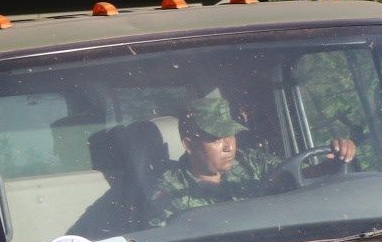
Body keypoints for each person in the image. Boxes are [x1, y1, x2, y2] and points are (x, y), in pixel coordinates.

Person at [149, 89, 357, 222]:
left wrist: (334, 162)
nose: (229, 146)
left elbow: (297, 175)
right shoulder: (168, 192)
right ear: (189, 145)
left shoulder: (252, 163)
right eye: (216, 139)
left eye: (230, 134)